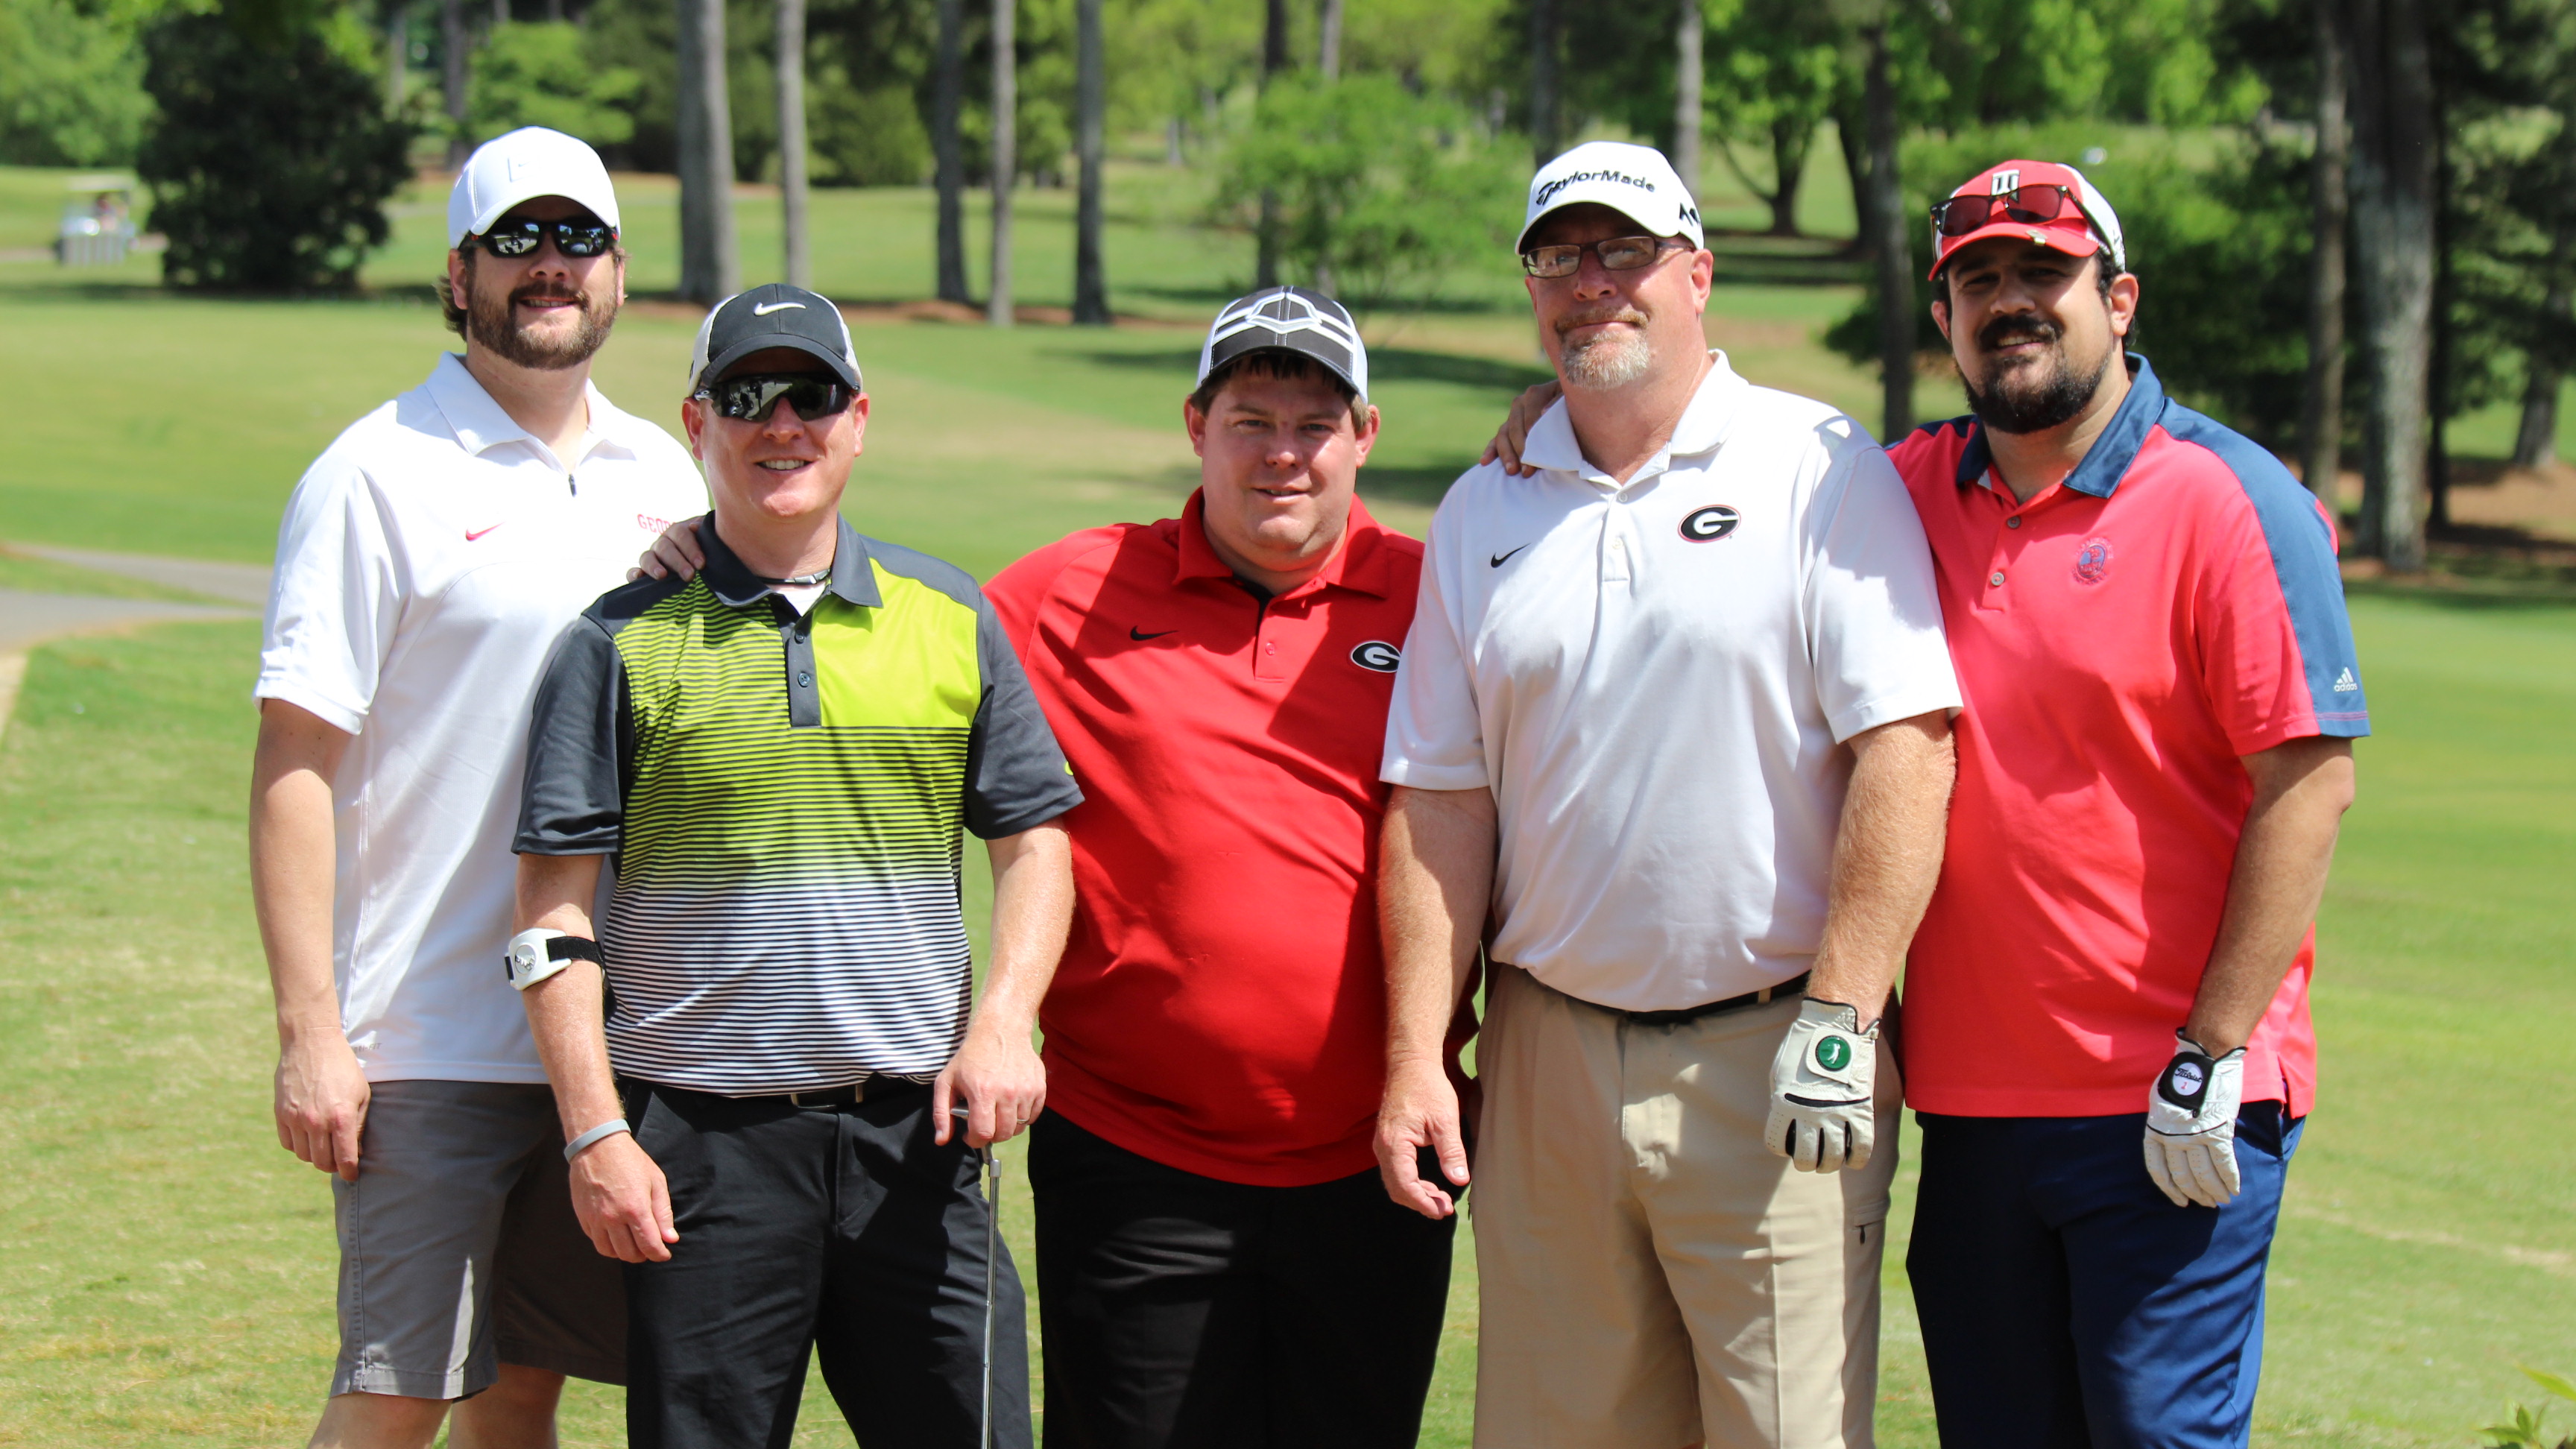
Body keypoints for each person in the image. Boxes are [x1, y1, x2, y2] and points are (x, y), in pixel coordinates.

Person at [1373, 139, 1962, 1449]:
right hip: (1546, 1063)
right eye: (1559, 256)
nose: (1592, 281)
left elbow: (1909, 748)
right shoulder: (1484, 507)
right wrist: (1419, 1054)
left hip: (1774, 1056)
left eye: (1625, 251)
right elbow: (1442, 802)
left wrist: (1843, 1015)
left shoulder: (1817, 464)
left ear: (1697, 273)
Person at [508, 282, 1084, 1449]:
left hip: (917, 1142)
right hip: (701, 1153)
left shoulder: (949, 615)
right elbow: (552, 917)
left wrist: (1005, 1024)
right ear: (696, 422)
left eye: (812, 395)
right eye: (747, 396)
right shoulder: (615, 641)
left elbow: (1034, 842)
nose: (782, 423)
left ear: (858, 419)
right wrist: (596, 1134)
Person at [1887, 160, 2364, 1448]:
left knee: (2156, 1434)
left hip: (2172, 1096)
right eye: (1978, 280)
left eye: (2045, 273)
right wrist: (1550, 410)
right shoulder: (1902, 489)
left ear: (2120, 298)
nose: (2010, 302)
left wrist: (2213, 1050)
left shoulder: (2230, 495)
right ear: (1944, 318)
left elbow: (2308, 784)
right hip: (1972, 1102)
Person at [247, 126, 705, 1449]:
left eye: (579, 239)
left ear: (619, 271)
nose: (550, 265)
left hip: (603, 1042)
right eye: (516, 240)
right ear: (459, 275)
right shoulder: (375, 473)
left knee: (524, 1391)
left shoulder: (665, 475)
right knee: (398, 1393)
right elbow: (294, 766)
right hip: (426, 1037)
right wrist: (310, 1031)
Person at [985, 288, 1459, 1448]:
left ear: (1365, 436)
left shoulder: (1442, 596)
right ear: (1197, 426)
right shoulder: (1072, 590)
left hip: (1377, 1158)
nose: (1283, 453)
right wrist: (698, 551)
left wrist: (1541, 419)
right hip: (1134, 1158)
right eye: (1251, 420)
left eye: (1314, 423)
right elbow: (887, 651)